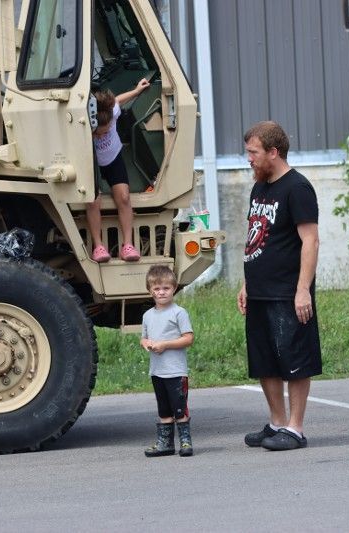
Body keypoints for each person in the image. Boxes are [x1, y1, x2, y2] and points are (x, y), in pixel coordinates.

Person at [237, 121, 321, 451]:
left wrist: (303, 289)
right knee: (265, 360)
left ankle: (295, 428)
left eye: (253, 152)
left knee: (294, 358)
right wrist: (246, 283)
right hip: (259, 290)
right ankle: (276, 422)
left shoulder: (297, 188)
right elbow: (255, 237)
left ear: (273, 152)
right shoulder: (260, 188)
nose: (249, 159)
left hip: (288, 291)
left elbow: (310, 240)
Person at [87, 78, 150, 263]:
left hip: (113, 157)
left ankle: (127, 245)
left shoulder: (112, 112)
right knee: (92, 201)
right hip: (93, 162)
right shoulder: (87, 123)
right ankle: (98, 246)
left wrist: (137, 90)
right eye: (97, 134)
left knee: (123, 197)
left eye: (105, 132)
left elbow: (118, 100)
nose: (101, 136)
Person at [141, 264, 195, 457]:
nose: (161, 292)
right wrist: (146, 343)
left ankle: (186, 442)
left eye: (165, 288)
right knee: (163, 408)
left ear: (174, 288)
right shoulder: (147, 316)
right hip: (157, 371)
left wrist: (165, 345)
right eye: (156, 289)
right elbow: (144, 338)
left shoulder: (179, 313)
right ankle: (165, 443)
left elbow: (188, 338)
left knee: (179, 408)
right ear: (150, 291)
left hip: (176, 371)